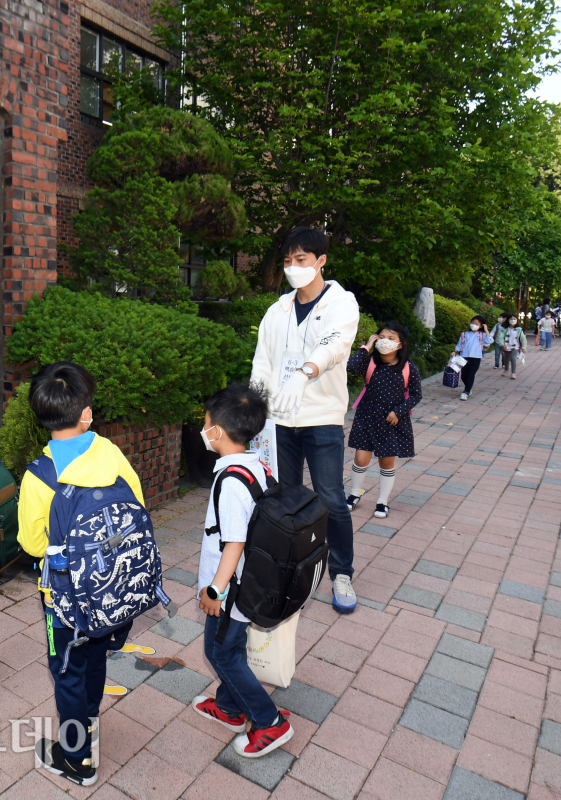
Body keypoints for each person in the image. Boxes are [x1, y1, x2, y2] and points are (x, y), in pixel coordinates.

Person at [17, 361, 140, 786]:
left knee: (66, 669)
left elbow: (31, 544)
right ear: (86, 412)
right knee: (94, 656)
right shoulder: (110, 452)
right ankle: (89, 718)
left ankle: (77, 759)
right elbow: (137, 506)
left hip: (64, 597)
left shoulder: (40, 475)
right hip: (110, 586)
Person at [249, 226, 360, 613]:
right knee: (284, 497)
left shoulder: (341, 303)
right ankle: (289, 567)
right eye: (288, 260)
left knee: (330, 497)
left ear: (320, 261)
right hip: (279, 420)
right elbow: (262, 361)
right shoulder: (277, 310)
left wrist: (304, 373)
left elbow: (334, 344)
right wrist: (257, 407)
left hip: (321, 417)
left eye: (301, 259)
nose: (293, 267)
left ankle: (341, 573)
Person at [191, 383, 294, 758]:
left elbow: (233, 543)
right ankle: (229, 708)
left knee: (221, 653)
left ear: (217, 431)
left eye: (206, 423)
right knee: (228, 648)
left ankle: (269, 722)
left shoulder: (231, 482)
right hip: (250, 581)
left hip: (232, 589)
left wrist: (214, 591)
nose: (203, 429)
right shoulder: (254, 465)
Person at [344, 322, 422, 519]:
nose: (385, 341)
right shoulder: (370, 362)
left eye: (391, 338)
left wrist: (399, 412)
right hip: (366, 417)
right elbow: (351, 366)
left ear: (400, 344)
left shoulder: (409, 368)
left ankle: (382, 502)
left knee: (386, 463)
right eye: (382, 337)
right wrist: (366, 347)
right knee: (360, 459)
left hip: (391, 421)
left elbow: (416, 395)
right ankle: (354, 494)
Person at [451, 315, 493, 400]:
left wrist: (486, 329)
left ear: (481, 326)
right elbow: (459, 345)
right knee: (463, 375)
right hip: (464, 357)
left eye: (476, 324)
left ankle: (466, 392)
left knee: (471, 374)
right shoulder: (464, 334)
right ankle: (468, 387)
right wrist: (454, 351)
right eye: (473, 323)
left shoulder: (482, 335)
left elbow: (490, 340)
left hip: (476, 358)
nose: (474, 325)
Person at [501, 315, 526, 381]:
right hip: (506, 346)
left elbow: (523, 339)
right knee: (506, 359)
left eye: (514, 319)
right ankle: (506, 369)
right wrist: (502, 344)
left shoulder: (519, 330)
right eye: (511, 319)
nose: (513, 320)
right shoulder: (505, 329)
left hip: (515, 346)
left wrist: (524, 347)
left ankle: (513, 373)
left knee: (513, 358)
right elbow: (500, 337)